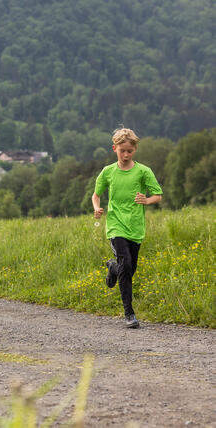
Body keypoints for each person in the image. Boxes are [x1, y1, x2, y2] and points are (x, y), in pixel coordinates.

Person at [92, 127, 163, 329]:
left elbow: (157, 195)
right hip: (116, 225)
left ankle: (113, 268)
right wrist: (97, 208)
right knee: (126, 262)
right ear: (114, 148)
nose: (125, 155)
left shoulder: (143, 171)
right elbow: (96, 195)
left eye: (129, 151)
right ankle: (129, 314)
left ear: (134, 150)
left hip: (135, 226)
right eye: (121, 150)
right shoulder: (108, 172)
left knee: (129, 268)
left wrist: (146, 200)